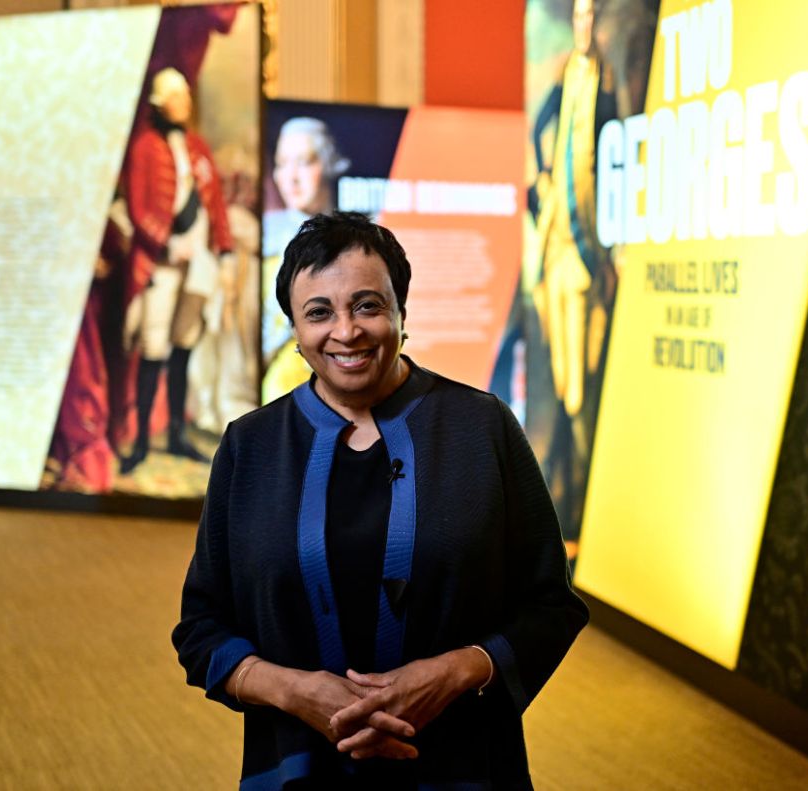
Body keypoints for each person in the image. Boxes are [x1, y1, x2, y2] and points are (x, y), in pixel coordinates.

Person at [172, 212, 589, 789]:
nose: (346, 332)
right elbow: (201, 630)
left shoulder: (481, 426)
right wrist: (296, 692)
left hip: (462, 767)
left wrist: (456, 670)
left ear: (401, 312)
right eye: (319, 312)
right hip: (299, 768)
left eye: (367, 305)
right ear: (295, 330)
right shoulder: (251, 446)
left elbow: (551, 605)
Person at [531, 0, 618, 552]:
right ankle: (562, 511)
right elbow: (544, 130)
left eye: (591, 16)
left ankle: (584, 506)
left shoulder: (608, 82)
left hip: (592, 257)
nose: (583, 27)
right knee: (563, 385)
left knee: (585, 384)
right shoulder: (566, 76)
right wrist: (541, 179)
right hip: (556, 252)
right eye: (578, 16)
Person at [120, 67, 233, 474]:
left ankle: (177, 437)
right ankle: (142, 446)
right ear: (160, 102)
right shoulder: (145, 148)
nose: (184, 104)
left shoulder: (199, 147)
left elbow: (215, 203)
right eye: (176, 97)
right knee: (154, 349)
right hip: (161, 266)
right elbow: (138, 208)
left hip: (198, 266)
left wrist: (224, 250)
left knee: (184, 345)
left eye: (186, 97)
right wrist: (166, 243)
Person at [261, 117, 350, 403]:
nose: (291, 177)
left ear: (328, 165)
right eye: (282, 163)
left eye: (304, 162)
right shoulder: (263, 237)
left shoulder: (357, 241)